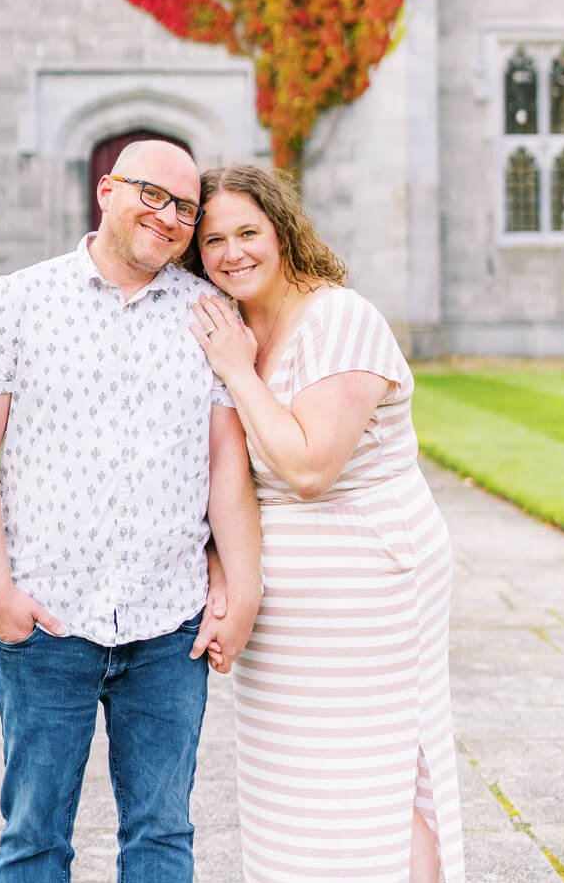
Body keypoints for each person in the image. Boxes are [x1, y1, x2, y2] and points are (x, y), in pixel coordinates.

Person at [0, 139, 262, 882]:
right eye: (153, 195)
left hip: (168, 627)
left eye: (185, 208)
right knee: (34, 838)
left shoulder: (210, 318)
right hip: (49, 622)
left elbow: (226, 465)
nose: (170, 217)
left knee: (161, 836)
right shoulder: (18, 303)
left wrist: (240, 587)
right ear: (107, 190)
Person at [189, 164, 465, 883]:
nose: (231, 253)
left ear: (283, 232)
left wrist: (239, 372)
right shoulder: (232, 321)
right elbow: (220, 474)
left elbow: (310, 470)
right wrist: (224, 574)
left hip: (372, 581)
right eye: (213, 239)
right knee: (294, 783)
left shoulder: (341, 320)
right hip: (282, 606)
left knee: (373, 780)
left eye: (248, 232)